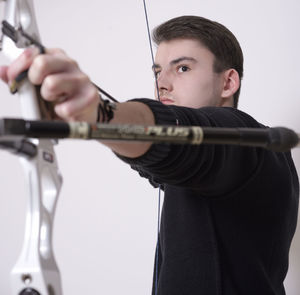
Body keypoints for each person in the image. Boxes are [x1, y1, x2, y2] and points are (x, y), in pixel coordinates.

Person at [0, 15, 298, 295]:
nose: (162, 83)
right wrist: (91, 120)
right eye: (158, 71)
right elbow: (157, 155)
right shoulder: (202, 169)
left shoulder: (247, 140)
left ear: (228, 82)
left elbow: (179, 140)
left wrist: (98, 115)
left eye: (182, 68)